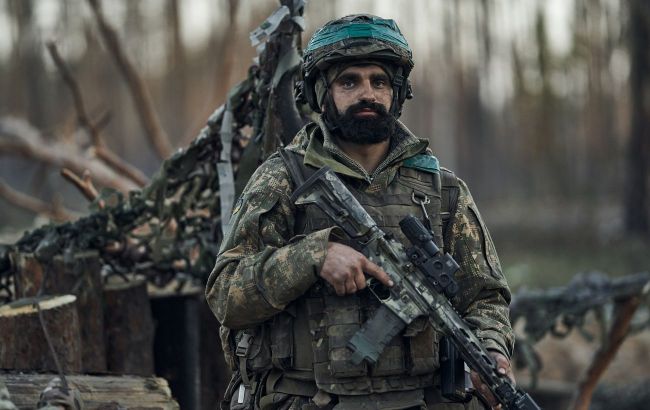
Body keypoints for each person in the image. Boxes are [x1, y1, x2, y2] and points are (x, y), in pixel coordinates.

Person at [206, 14, 514, 410]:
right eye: (349, 81)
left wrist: (491, 350)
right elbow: (225, 294)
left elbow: (485, 296)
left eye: (379, 81)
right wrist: (312, 257)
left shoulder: (442, 189)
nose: (366, 93)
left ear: (397, 92)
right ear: (322, 93)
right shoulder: (281, 180)